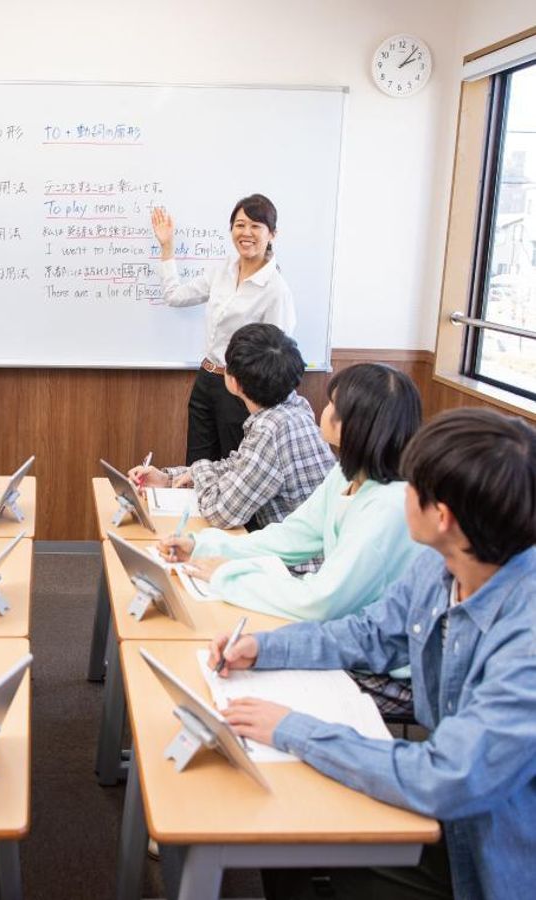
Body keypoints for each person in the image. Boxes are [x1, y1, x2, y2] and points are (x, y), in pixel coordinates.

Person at [210, 408, 536, 900]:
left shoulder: (526, 642)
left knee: (297, 831)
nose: (399, 492)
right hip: (457, 815)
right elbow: (370, 633)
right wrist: (263, 647)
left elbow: (445, 777)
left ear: (442, 517)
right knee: (284, 832)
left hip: (493, 855)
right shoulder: (443, 565)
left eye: (410, 485)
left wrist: (293, 728)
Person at [161, 363, 423, 713]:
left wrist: (227, 575)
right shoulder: (347, 474)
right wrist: (204, 546)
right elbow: (292, 537)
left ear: (355, 424)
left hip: (388, 666)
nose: (324, 409)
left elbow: (320, 602)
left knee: (239, 677)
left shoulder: (388, 508)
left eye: (333, 404)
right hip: (343, 632)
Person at [127, 323, 334, 531]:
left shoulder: (270, 429)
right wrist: (168, 479)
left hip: (296, 551)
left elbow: (221, 513)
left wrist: (198, 470)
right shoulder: (294, 406)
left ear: (234, 382)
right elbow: (238, 466)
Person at [152, 194, 296, 464]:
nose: (246, 233)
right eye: (240, 225)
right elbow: (175, 296)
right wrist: (167, 246)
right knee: (196, 467)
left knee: (233, 467)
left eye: (256, 226)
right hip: (206, 380)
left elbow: (278, 358)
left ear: (272, 234)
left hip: (242, 391)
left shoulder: (276, 290)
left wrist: (248, 394)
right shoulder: (222, 271)